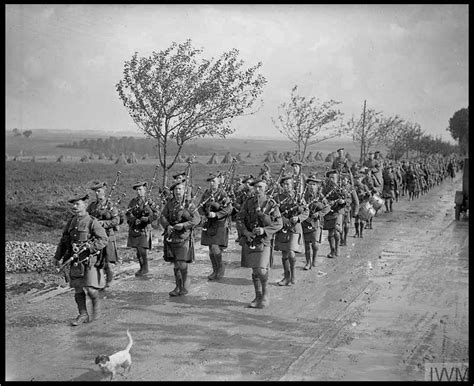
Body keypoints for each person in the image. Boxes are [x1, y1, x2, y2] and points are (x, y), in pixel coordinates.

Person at [52, 191, 108, 326]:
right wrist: (57, 256)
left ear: (85, 205)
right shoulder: (71, 222)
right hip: (75, 262)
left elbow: (103, 240)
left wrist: (90, 246)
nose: (74, 207)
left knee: (90, 289)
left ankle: (95, 306)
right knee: (77, 289)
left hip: (89, 262)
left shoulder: (92, 222)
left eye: (77, 204)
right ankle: (83, 314)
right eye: (73, 205)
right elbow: (64, 241)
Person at [236, 178, 283, 308]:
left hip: (264, 240)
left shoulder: (271, 204)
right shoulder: (248, 202)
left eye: (261, 187)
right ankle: (257, 295)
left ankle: (266, 294)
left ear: (266, 188)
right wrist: (245, 232)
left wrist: (264, 230)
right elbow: (239, 218)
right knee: (255, 269)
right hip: (250, 239)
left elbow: (279, 224)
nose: (258, 190)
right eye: (256, 187)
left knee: (262, 269)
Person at [160, 181, 201, 296]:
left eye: (180, 189)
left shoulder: (189, 204)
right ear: (173, 191)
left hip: (184, 237)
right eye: (176, 189)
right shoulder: (170, 204)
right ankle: (177, 286)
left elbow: (197, 219)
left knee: (181, 263)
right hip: (172, 236)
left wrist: (184, 225)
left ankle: (184, 286)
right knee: (175, 263)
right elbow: (162, 216)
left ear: (184, 191)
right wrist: (167, 225)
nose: (178, 192)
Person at [274, 175, 309, 286]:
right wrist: (282, 219)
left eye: (288, 184)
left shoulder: (299, 197)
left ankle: (293, 275)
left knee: (291, 252)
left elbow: (306, 212)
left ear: (292, 185)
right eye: (284, 184)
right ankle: (286, 276)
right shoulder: (277, 198)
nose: (286, 186)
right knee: (284, 254)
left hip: (294, 228)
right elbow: (273, 212)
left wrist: (298, 218)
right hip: (282, 228)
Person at [198, 173, 233, 281]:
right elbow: (200, 206)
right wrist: (203, 213)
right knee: (210, 248)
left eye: (214, 181)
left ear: (218, 182)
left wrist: (217, 214)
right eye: (210, 181)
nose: (212, 183)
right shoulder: (206, 193)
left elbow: (229, 209)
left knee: (215, 247)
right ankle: (214, 270)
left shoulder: (222, 194)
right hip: (209, 223)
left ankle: (220, 268)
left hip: (219, 223)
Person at [87, 181, 120, 289]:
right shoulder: (92, 206)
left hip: (108, 236)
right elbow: (87, 218)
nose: (97, 193)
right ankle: (98, 282)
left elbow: (116, 220)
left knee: (108, 262)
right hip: (96, 238)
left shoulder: (110, 205)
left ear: (104, 191)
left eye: (99, 191)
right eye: (95, 191)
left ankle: (109, 282)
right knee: (97, 261)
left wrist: (103, 223)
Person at [301, 175, 331, 270]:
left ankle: (314, 259)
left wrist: (319, 214)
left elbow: (328, 207)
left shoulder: (320, 197)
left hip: (316, 223)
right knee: (306, 244)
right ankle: (307, 262)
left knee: (314, 244)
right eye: (310, 184)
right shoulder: (303, 197)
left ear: (317, 186)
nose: (311, 186)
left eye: (314, 184)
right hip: (305, 222)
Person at [125, 181, 154, 276]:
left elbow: (156, 213)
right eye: (137, 190)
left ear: (145, 190)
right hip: (135, 227)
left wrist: (147, 218)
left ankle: (145, 268)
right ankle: (141, 267)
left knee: (142, 249)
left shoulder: (149, 201)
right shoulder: (133, 202)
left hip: (144, 228)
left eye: (140, 189)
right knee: (138, 250)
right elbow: (128, 213)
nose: (138, 192)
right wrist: (133, 219)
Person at [321, 170, 347, 258]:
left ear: (337, 179)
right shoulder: (325, 189)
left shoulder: (341, 188)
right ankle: (332, 250)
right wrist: (325, 201)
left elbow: (345, 200)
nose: (332, 179)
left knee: (336, 231)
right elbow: (322, 198)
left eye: (333, 178)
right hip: (329, 211)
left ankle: (337, 248)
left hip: (338, 211)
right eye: (330, 178)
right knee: (330, 233)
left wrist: (342, 201)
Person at [339, 173, 359, 246]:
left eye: (344, 179)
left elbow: (356, 201)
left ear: (347, 180)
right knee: (339, 225)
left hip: (347, 209)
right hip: (339, 209)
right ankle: (341, 238)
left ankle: (345, 239)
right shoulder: (338, 188)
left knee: (346, 225)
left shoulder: (351, 189)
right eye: (342, 179)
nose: (343, 181)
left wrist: (356, 211)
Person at [353, 172, 372, 238]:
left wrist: (366, 195)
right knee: (356, 220)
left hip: (362, 203)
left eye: (358, 179)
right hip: (356, 205)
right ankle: (356, 232)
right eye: (356, 179)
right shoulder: (353, 187)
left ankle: (361, 233)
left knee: (362, 220)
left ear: (361, 179)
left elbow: (369, 196)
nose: (357, 180)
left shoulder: (364, 186)